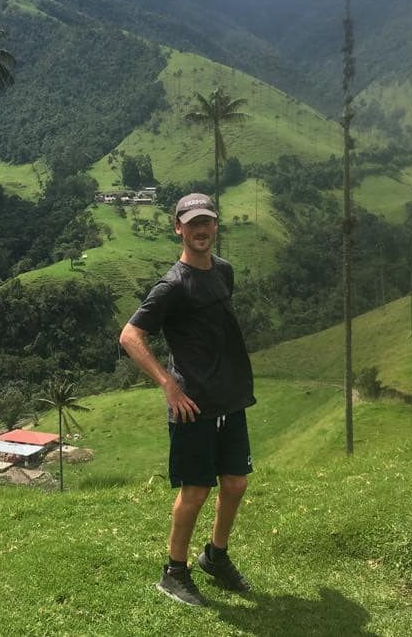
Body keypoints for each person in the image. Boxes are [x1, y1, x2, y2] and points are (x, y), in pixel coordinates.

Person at [119, 193, 256, 607]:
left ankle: (215, 556)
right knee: (195, 492)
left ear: (216, 226)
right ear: (178, 227)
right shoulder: (172, 286)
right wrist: (169, 385)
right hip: (192, 405)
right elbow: (130, 336)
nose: (200, 230)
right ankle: (174, 572)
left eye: (207, 222)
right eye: (192, 222)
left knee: (235, 483)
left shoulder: (224, 272)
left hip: (229, 399)